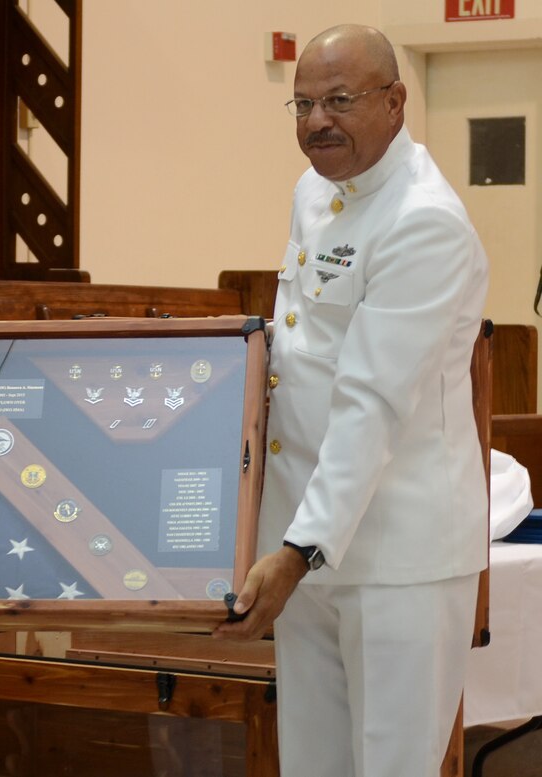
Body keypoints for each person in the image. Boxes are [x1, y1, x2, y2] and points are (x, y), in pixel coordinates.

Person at [213, 25, 489, 777]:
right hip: (306, 545)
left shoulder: (422, 221)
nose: (316, 121)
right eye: (302, 103)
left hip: (398, 555)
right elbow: (301, 352)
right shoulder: (315, 191)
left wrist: (301, 549)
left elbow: (371, 399)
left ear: (395, 103)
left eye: (339, 100)